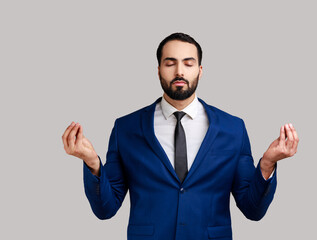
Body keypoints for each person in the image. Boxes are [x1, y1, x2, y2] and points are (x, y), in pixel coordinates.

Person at [62, 32, 299, 240]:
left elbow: (252, 210)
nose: (179, 71)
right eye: (170, 63)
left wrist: (268, 164)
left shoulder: (233, 128)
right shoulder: (126, 128)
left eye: (188, 63)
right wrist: (92, 164)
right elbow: (106, 209)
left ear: (200, 70)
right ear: (158, 70)